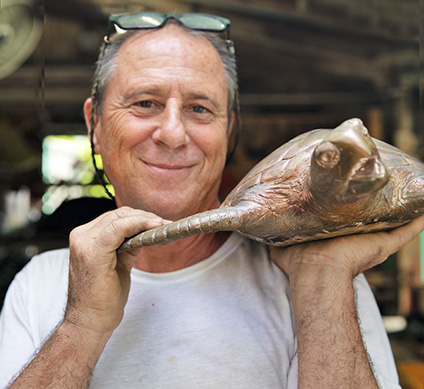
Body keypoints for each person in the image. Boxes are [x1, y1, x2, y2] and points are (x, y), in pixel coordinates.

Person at [1, 12, 423, 388]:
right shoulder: (43, 283)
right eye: (145, 103)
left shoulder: (320, 277)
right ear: (94, 123)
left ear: (229, 128)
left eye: (200, 109)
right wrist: (81, 327)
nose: (172, 133)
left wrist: (322, 279)